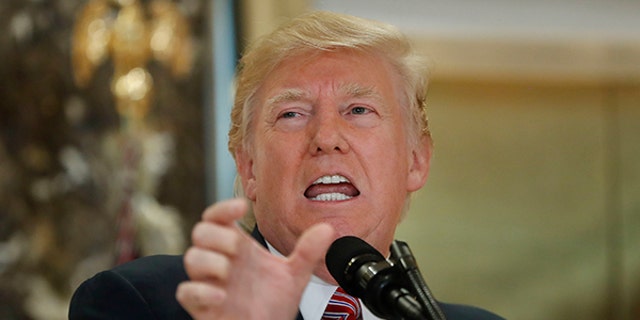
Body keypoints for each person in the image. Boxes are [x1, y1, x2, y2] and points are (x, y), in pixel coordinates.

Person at [69, 11, 504, 320]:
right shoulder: (142, 302)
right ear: (250, 166)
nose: (327, 138)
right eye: (292, 113)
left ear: (416, 160)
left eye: (358, 110)